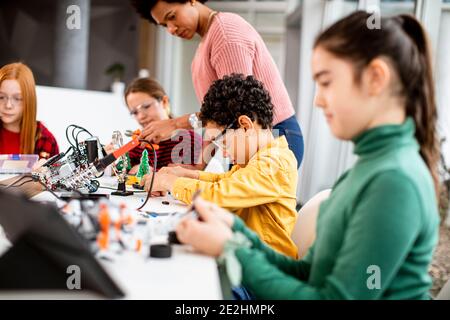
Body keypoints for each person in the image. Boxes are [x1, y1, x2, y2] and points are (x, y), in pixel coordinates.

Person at [174, 12, 441, 299]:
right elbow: (308, 274)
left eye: (326, 82)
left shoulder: (394, 181)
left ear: (376, 78)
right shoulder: (365, 170)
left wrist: (231, 248)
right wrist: (236, 230)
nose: (317, 100)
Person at [130, 0, 304, 168]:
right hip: (245, 141)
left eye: (172, 16)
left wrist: (174, 124)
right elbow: (215, 118)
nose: (171, 29)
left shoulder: (225, 34)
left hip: (274, 135)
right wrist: (199, 166)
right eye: (164, 25)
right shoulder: (206, 43)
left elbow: (237, 107)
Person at [141, 74, 299, 258]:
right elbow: (225, 180)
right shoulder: (257, 159)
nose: (223, 152)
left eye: (222, 142)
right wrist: (183, 174)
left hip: (263, 273)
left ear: (245, 125)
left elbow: (219, 194)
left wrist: (170, 182)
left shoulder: (275, 163)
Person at [107, 77, 202, 173]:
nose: (140, 117)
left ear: (164, 102)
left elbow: (188, 176)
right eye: (135, 112)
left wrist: (151, 172)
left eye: (146, 106)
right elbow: (124, 167)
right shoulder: (140, 142)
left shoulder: (189, 140)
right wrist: (111, 160)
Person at [0, 62, 59, 159]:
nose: (8, 105)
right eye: (1, 97)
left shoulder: (45, 140)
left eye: (17, 98)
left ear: (29, 101)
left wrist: (45, 173)